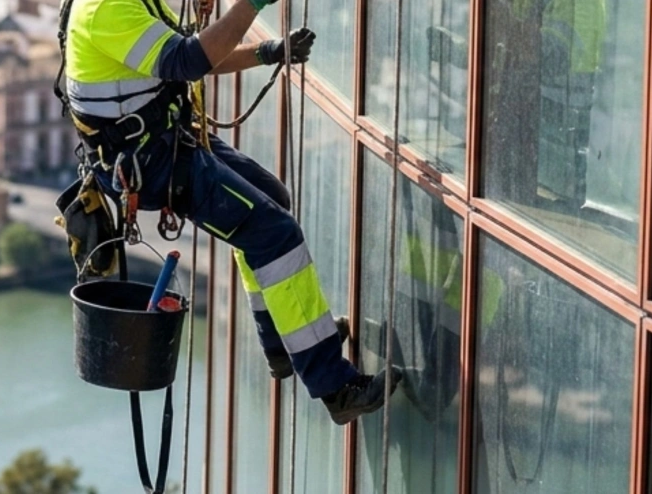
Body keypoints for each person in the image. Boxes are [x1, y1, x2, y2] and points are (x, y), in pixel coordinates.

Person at [61, 0, 401, 425]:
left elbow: (195, 53)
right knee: (275, 233)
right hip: (150, 164)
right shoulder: (106, 9)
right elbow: (189, 60)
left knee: (270, 200)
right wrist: (250, 6)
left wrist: (267, 52)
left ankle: (282, 344)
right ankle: (336, 387)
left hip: (164, 142)